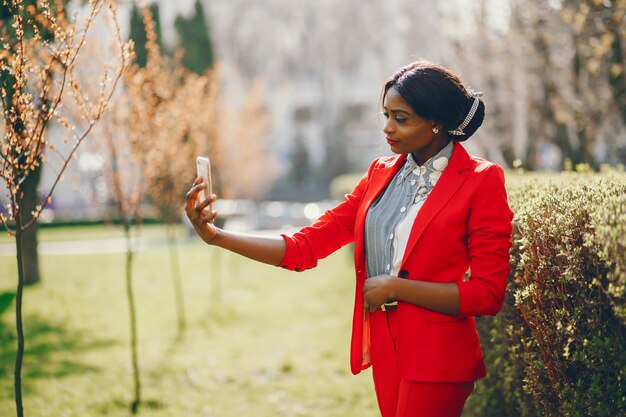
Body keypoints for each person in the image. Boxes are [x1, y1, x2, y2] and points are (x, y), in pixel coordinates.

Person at [185, 60, 513, 417]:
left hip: (439, 355)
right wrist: (216, 236)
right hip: (387, 347)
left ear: (436, 122)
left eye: (401, 119)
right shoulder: (378, 175)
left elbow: (487, 294)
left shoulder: (481, 180)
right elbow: (304, 247)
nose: (387, 128)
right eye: (386, 114)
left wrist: (395, 288)